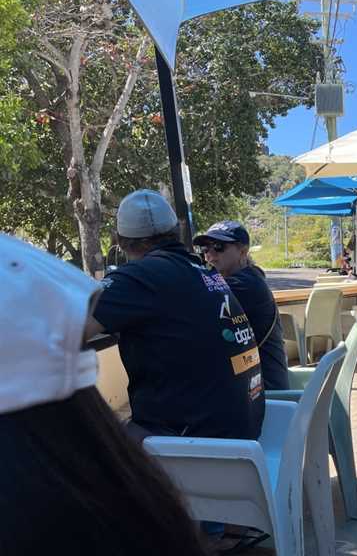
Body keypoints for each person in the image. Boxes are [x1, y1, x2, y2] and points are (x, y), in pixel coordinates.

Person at [0, 233, 207, 556]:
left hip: (192, 430)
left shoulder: (137, 278)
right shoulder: (136, 497)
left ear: (124, 243)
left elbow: (84, 326)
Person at [84, 190, 264, 442]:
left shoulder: (140, 276)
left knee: (83, 446)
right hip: (245, 430)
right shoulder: (204, 272)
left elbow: (66, 328)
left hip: (197, 445)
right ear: (176, 232)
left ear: (121, 241)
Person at [194, 221, 289, 391]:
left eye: (218, 246)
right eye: (205, 249)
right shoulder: (249, 276)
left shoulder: (244, 284)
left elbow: (189, 299)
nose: (210, 255)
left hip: (267, 392)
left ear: (243, 251)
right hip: (255, 383)